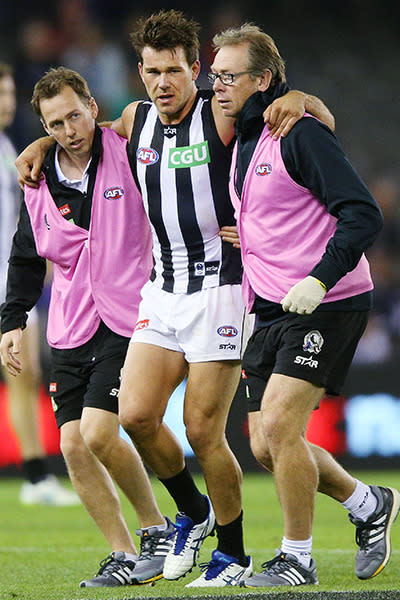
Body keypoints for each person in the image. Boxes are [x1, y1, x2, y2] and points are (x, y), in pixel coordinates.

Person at [14, 10, 336, 588]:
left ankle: (234, 555)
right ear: (141, 71)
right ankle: (194, 513)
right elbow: (85, 128)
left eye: (175, 71)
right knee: (135, 415)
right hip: (162, 289)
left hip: (222, 286)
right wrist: (43, 138)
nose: (163, 82)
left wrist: (306, 98)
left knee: (203, 432)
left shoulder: (225, 112)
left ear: (198, 70)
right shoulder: (135, 121)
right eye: (154, 71)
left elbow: (313, 118)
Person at [212, 23, 399, 587]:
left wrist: (319, 278)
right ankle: (367, 502)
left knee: (281, 424)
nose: (215, 86)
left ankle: (297, 558)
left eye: (228, 76)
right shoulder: (246, 135)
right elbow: (286, 208)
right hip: (269, 304)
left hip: (327, 299)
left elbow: (363, 213)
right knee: (265, 444)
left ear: (264, 79)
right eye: (213, 75)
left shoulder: (301, 131)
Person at [0, 66, 175, 588]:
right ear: (46, 129)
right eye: (54, 124)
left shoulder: (128, 147)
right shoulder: (38, 179)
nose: (69, 129)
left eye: (75, 114)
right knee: (74, 445)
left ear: (93, 107)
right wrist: (11, 321)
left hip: (129, 316)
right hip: (70, 325)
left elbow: (170, 113)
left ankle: (155, 531)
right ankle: (124, 555)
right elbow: (27, 254)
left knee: (99, 432)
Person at [0, 62, 79, 506]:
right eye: (1, 95)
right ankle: (34, 477)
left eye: (9, 94)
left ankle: (35, 476)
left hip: (9, 279)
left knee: (25, 374)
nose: (7, 103)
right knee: (22, 373)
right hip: (2, 281)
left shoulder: (9, 144)